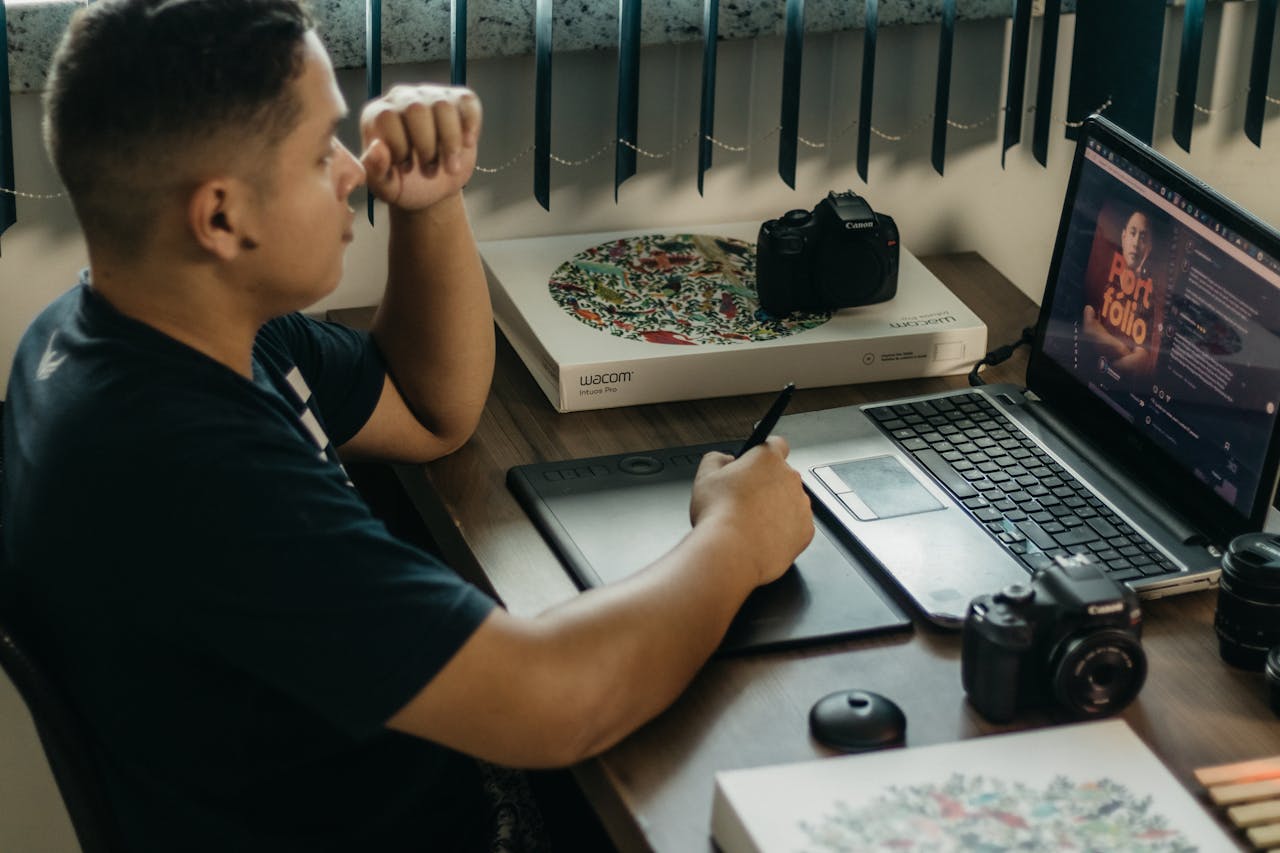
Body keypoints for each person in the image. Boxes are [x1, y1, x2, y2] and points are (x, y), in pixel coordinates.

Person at [0, 0, 814, 850]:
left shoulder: (129, 325)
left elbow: (432, 410)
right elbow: (554, 703)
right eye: (321, 153)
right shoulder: (188, 474)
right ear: (220, 218)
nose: (353, 168)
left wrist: (429, 207)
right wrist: (734, 534)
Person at [1082, 208, 1161, 374]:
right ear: (1124, 237)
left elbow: (1142, 360)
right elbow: (1088, 324)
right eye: (1132, 233)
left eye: (1143, 237)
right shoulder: (1108, 271)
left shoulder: (1150, 294)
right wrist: (1123, 350)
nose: (1135, 243)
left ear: (1149, 246)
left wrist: (1106, 371)